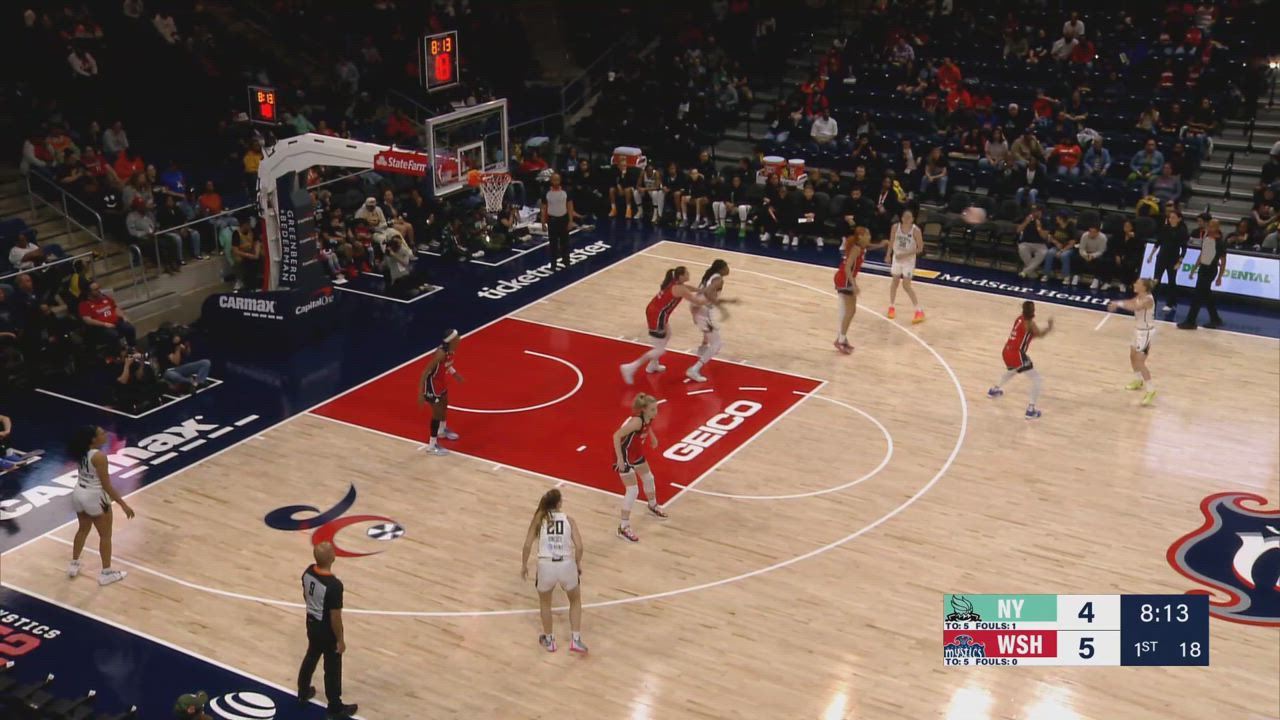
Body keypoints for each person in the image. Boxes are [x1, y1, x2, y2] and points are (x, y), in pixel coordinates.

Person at [520, 488, 587, 653]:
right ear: (558, 503)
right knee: (575, 600)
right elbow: (579, 547)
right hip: (566, 564)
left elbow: (527, 545)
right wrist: (577, 564)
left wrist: (524, 565)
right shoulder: (569, 520)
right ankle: (576, 640)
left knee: (545, 604)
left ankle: (549, 640)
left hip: (546, 565)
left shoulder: (539, 519)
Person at [67, 425, 134, 585]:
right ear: (93, 439)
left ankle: (74, 564)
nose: (105, 435)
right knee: (105, 536)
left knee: (82, 529)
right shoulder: (99, 457)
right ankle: (106, 573)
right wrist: (123, 504)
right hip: (95, 497)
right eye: (102, 433)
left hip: (79, 493)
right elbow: (107, 485)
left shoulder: (81, 452)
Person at [297, 541, 357, 719]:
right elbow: (335, 617)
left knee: (311, 655)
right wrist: (340, 639)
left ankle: (303, 691)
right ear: (332, 558)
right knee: (332, 668)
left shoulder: (307, 572)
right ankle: (335, 708)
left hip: (311, 622)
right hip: (326, 629)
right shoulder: (334, 585)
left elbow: (306, 595)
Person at [620, 266, 706, 384]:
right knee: (659, 350)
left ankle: (652, 365)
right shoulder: (679, 288)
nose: (688, 274)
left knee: (668, 334)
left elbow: (687, 288)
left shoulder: (675, 282)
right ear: (681, 276)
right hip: (656, 315)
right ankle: (630, 367)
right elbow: (696, 301)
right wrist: (711, 299)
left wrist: (700, 290)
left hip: (656, 311)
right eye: (687, 273)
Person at [611, 393, 667, 542]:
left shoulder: (647, 418)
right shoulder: (636, 422)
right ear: (644, 410)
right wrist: (620, 459)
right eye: (653, 409)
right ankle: (623, 527)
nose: (656, 412)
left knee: (649, 478)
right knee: (632, 490)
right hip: (624, 455)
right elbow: (616, 436)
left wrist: (652, 437)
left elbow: (648, 425)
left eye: (656, 409)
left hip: (636, 453)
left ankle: (652, 505)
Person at [988, 301, 1054, 420]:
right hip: (1016, 353)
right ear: (1033, 311)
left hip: (1006, 350)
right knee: (1036, 379)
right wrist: (1049, 328)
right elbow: (1040, 334)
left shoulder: (1019, 319)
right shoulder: (1029, 324)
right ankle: (1030, 410)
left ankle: (994, 390)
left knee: (1013, 370)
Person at [1107, 279, 1159, 406]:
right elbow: (1131, 301)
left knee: (1140, 362)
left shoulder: (1148, 300)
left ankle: (1151, 390)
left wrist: (1118, 305)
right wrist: (1117, 302)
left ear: (1144, 287)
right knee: (1132, 356)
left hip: (1146, 333)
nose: (1134, 284)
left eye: (1137, 284)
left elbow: (1135, 307)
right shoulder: (1140, 295)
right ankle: (1138, 380)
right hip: (1137, 330)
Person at [687, 260, 736, 383]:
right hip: (704, 311)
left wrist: (728, 302)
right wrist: (723, 309)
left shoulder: (710, 276)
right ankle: (694, 369)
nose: (728, 269)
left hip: (697, 307)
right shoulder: (718, 279)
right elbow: (709, 294)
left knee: (708, 334)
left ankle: (702, 350)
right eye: (726, 267)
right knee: (717, 344)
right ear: (721, 269)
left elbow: (708, 295)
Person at [418, 330, 463, 456]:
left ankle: (442, 431)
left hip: (441, 383)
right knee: (437, 414)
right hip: (432, 385)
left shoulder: (451, 350)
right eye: (457, 337)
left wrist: (455, 374)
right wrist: (420, 393)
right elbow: (425, 372)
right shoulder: (440, 353)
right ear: (451, 340)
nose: (459, 338)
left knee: (444, 405)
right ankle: (432, 446)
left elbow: (447, 365)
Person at [1178, 219, 1227, 330]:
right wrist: (1194, 269)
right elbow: (1202, 254)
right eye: (1209, 226)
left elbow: (1223, 261)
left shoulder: (1220, 243)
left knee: (1198, 296)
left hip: (1211, 270)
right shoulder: (1206, 238)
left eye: (1212, 226)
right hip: (1203, 269)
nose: (1209, 228)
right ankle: (1215, 319)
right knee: (1206, 295)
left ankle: (1190, 321)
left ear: (1217, 228)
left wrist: (1220, 277)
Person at [834, 226, 871, 354]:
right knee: (849, 312)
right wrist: (854, 284)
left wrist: (881, 244)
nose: (870, 237)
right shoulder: (856, 249)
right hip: (844, 279)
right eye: (868, 235)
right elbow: (847, 267)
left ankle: (841, 338)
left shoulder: (860, 247)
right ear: (861, 236)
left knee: (849, 311)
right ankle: (840, 340)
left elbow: (870, 245)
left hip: (844, 278)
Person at [886, 209, 925, 324]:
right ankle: (891, 307)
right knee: (895, 282)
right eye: (905, 217)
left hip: (908, 260)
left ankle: (919, 310)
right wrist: (888, 254)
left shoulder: (916, 230)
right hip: (897, 258)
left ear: (913, 219)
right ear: (902, 218)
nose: (907, 219)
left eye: (910, 217)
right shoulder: (895, 227)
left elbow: (920, 248)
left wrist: (905, 254)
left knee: (906, 285)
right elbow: (891, 241)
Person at [1147, 207, 1188, 313]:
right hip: (1161, 257)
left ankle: (1171, 303)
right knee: (1156, 280)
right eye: (1170, 217)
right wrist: (1151, 255)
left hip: (1173, 259)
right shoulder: (1165, 228)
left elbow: (1184, 248)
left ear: (1179, 219)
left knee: (1171, 281)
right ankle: (1152, 302)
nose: (1171, 219)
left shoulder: (1182, 231)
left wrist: (1180, 261)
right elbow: (1158, 242)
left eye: (1174, 218)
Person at [78, 282, 137, 347]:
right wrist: (104, 324)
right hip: (100, 328)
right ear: (88, 292)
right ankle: (117, 353)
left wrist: (123, 316)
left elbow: (115, 308)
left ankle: (132, 348)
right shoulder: (84, 304)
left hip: (115, 322)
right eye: (96, 289)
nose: (99, 290)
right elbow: (87, 320)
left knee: (129, 328)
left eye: (99, 288)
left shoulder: (105, 298)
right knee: (113, 334)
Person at [160, 327, 211, 392]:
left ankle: (198, 382)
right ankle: (192, 382)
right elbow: (176, 362)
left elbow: (187, 354)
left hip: (182, 368)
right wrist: (178, 348)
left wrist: (187, 346)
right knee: (172, 375)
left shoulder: (181, 341)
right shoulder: (165, 346)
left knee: (206, 362)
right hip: (170, 370)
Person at [541, 173, 573, 270]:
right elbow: (543, 208)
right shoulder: (546, 192)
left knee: (565, 242)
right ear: (551, 181)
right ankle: (553, 264)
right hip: (552, 220)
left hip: (563, 219)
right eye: (554, 180)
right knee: (553, 243)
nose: (556, 182)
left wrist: (570, 221)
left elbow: (570, 206)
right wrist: (543, 222)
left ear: (560, 180)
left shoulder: (566, 191)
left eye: (557, 180)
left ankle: (566, 261)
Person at [1016, 206, 1050, 278]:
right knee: (1022, 249)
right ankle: (1031, 272)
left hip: (1040, 244)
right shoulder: (1027, 219)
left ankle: (1025, 271)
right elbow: (1018, 230)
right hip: (1026, 242)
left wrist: (1039, 227)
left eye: (1036, 211)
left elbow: (1044, 236)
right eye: (1033, 211)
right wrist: (1026, 222)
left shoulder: (1045, 221)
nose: (1034, 213)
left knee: (1043, 252)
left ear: (1040, 212)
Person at [1074, 222, 1110, 289]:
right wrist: (1085, 255)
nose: (1091, 233)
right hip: (1086, 253)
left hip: (1097, 254)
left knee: (1101, 260)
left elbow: (1101, 251)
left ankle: (1096, 280)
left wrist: (1092, 256)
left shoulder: (1103, 238)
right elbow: (1081, 248)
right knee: (1077, 257)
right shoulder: (1084, 235)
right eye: (1090, 231)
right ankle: (1076, 276)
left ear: (1098, 232)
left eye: (1093, 232)